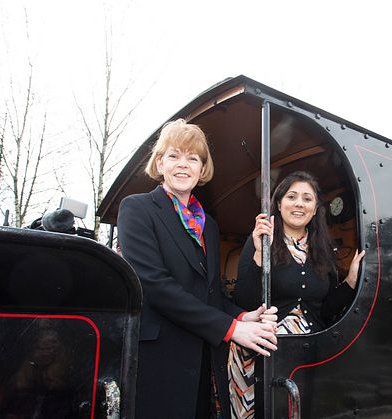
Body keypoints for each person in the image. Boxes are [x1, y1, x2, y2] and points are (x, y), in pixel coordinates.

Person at [117, 119, 278, 419]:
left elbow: (209, 294)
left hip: (204, 362)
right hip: (159, 363)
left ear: (203, 169)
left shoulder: (209, 226)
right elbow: (155, 286)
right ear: (160, 162)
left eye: (193, 158)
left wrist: (242, 315)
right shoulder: (136, 209)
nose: (183, 165)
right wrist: (231, 329)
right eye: (174, 156)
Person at [229, 170, 365, 418]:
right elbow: (244, 301)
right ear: (278, 204)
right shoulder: (260, 239)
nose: (299, 204)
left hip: (309, 349)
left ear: (315, 209)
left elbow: (324, 309)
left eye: (307, 198)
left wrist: (351, 280)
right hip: (262, 349)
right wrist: (260, 254)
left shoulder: (322, 249)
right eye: (292, 196)